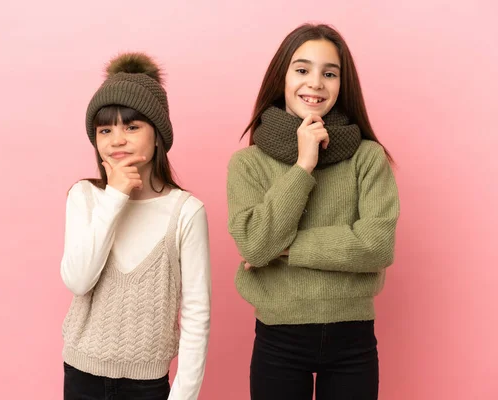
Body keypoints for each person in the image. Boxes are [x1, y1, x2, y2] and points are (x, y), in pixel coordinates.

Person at [226, 24, 400, 400]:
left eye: (330, 73)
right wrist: (304, 163)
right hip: (278, 338)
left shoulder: (368, 157)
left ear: (342, 84)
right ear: (282, 78)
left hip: (353, 337)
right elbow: (256, 246)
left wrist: (288, 248)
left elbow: (377, 245)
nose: (316, 83)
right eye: (302, 70)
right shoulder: (248, 164)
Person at [60, 53, 211, 400]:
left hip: (147, 386)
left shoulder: (186, 212)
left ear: (157, 135)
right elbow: (78, 280)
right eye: (105, 130)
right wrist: (114, 197)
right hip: (81, 376)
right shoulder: (84, 197)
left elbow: (196, 314)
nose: (116, 140)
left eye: (131, 127)